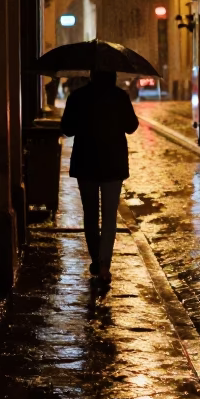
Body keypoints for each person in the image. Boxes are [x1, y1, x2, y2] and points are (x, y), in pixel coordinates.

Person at [60, 70, 139, 285]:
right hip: (113, 164)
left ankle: (95, 258)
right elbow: (132, 127)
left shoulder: (77, 96)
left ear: (91, 75)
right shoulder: (119, 96)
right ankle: (105, 265)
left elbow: (66, 128)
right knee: (110, 217)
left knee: (91, 214)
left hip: (86, 163)